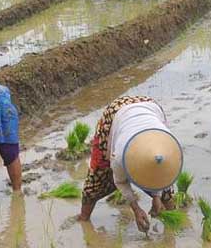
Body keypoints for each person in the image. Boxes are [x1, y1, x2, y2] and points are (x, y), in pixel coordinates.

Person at [77, 96, 182, 233]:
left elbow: (161, 175)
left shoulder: (168, 147)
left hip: (149, 106)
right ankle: (84, 220)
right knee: (98, 174)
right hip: (116, 113)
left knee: (166, 189)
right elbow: (120, 181)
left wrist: (157, 196)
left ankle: (172, 231)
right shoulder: (121, 154)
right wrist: (136, 209)